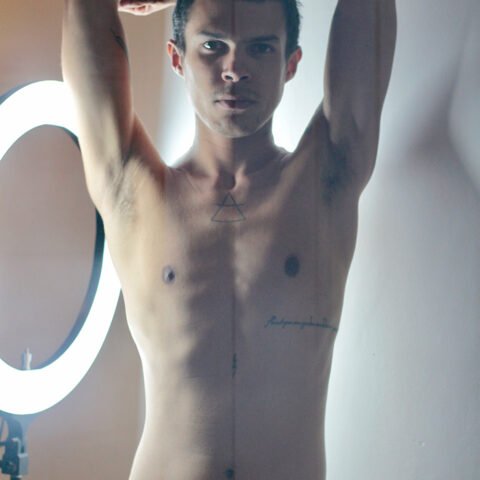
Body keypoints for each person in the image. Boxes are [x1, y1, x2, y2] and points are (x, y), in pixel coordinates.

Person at [62, 0, 396, 478]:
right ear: (177, 57)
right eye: (213, 46)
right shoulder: (131, 189)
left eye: (260, 48)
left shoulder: (329, 177)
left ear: (290, 64)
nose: (235, 69)